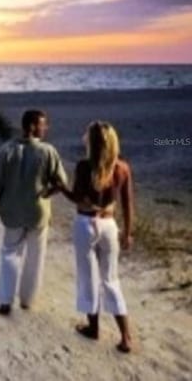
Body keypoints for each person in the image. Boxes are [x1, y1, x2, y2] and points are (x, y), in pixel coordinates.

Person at [61, 121, 134, 353]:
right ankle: (126, 337)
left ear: (91, 142)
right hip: (109, 225)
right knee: (111, 279)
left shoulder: (84, 167)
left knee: (88, 277)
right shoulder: (122, 168)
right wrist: (128, 232)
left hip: (85, 223)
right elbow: (127, 203)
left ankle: (93, 329)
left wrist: (60, 188)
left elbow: (77, 198)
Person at [0, 109, 68, 315]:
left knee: (9, 253)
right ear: (33, 126)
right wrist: (48, 192)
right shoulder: (48, 151)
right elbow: (61, 182)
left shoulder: (6, 150)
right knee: (35, 256)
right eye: (43, 124)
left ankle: (5, 301)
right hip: (37, 211)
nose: (46, 128)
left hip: (12, 210)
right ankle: (27, 300)